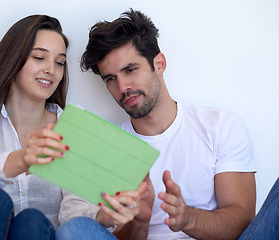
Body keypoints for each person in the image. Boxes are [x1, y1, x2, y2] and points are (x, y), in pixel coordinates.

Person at [0, 14, 143, 240]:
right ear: (13, 59)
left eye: (59, 62)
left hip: (41, 234)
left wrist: (103, 217)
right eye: (39, 57)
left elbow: (73, 215)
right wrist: (21, 159)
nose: (51, 69)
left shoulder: (72, 130)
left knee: (32, 220)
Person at [80, 9, 259, 239]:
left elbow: (243, 222)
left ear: (160, 64)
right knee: (78, 229)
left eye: (131, 69)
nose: (123, 87)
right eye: (111, 79)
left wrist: (187, 218)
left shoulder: (220, 126)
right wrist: (141, 221)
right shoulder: (107, 148)